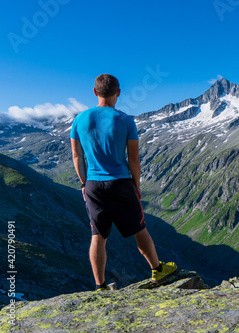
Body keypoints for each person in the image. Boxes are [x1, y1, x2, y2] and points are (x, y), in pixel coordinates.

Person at [70, 74, 176, 291]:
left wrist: (84, 183)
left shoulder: (79, 119)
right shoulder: (126, 120)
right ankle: (158, 269)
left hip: (93, 185)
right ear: (118, 93)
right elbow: (134, 159)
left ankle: (100, 286)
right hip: (120, 183)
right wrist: (136, 185)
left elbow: (77, 156)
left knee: (97, 237)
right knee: (140, 229)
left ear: (94, 92)